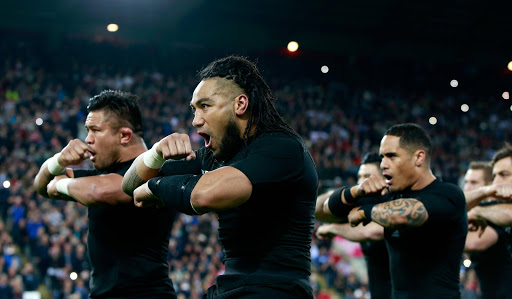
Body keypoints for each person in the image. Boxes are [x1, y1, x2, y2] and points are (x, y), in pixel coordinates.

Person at [122, 55, 318, 298]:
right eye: (194, 109)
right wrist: (155, 154)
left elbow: (205, 195)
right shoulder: (216, 155)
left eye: (205, 106)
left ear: (240, 104)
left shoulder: (283, 148)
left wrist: (155, 186)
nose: (195, 120)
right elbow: (129, 184)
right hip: (231, 288)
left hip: (277, 290)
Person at [34, 90, 177, 298]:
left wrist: (60, 183)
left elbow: (97, 191)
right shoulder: (103, 173)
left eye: (95, 130)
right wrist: (58, 160)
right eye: (87, 131)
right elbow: (41, 185)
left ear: (125, 136)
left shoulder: (155, 172)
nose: (87, 140)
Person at [318, 123, 467, 298]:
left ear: (418, 157)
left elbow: (404, 215)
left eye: (391, 156)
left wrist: (363, 211)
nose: (383, 164)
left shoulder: (448, 194)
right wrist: (356, 191)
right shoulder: (390, 195)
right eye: (382, 157)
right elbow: (326, 208)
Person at [316, 152, 390, 299]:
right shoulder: (358, 204)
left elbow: (371, 232)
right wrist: (351, 191)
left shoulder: (392, 204)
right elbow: (317, 209)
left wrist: (333, 228)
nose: (362, 182)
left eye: (367, 177)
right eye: (359, 177)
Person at [462, 161, 512, 299]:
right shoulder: (478, 212)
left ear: (489, 185)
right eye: (466, 181)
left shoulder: (495, 211)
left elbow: (474, 243)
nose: (467, 186)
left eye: (474, 182)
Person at [466, 143, 512, 227]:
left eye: (504, 175)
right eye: (494, 176)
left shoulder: (490, 212)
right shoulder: (495, 206)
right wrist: (484, 191)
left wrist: (478, 212)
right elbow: (453, 204)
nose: (495, 183)